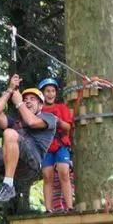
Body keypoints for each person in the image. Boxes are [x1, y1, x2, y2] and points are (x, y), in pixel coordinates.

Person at [0, 74, 57, 203]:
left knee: (9, 133)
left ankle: (8, 185)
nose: (27, 101)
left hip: (30, 165)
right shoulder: (16, 122)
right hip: (8, 162)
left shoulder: (49, 118)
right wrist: (10, 90)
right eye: (25, 98)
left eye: (32, 99)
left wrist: (19, 102)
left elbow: (32, 122)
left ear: (40, 105)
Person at [38, 78, 74, 212]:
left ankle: (69, 206)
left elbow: (68, 128)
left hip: (60, 145)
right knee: (47, 176)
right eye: (47, 91)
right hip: (46, 147)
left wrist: (57, 121)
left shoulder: (61, 108)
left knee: (64, 172)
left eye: (53, 91)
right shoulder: (39, 111)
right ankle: (48, 208)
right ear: (42, 93)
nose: (50, 94)